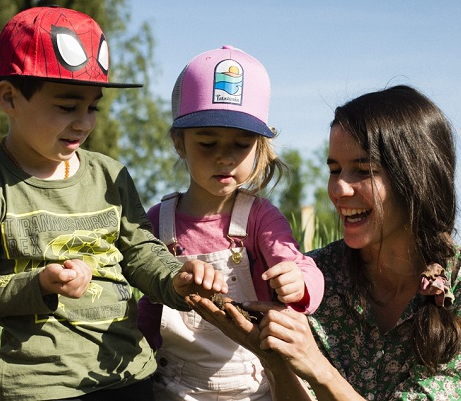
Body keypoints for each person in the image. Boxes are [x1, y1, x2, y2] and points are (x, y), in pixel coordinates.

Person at [0, 7, 228, 401]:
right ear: (9, 97)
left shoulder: (110, 175)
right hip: (44, 386)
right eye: (66, 106)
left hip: (130, 374)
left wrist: (176, 279)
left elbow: (142, 253)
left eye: (93, 107)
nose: (84, 122)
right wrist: (40, 283)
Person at [188, 85, 461, 400]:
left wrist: (319, 367)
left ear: (416, 178)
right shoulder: (315, 281)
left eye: (363, 170)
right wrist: (272, 360)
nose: (338, 189)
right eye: (335, 169)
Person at [134, 45, 325, 400]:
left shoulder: (259, 218)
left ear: (260, 146)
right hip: (175, 386)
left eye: (241, 144)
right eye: (207, 143)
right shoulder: (159, 221)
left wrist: (298, 284)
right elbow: (149, 305)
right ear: (180, 142)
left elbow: (301, 265)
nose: (224, 157)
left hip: (253, 383)